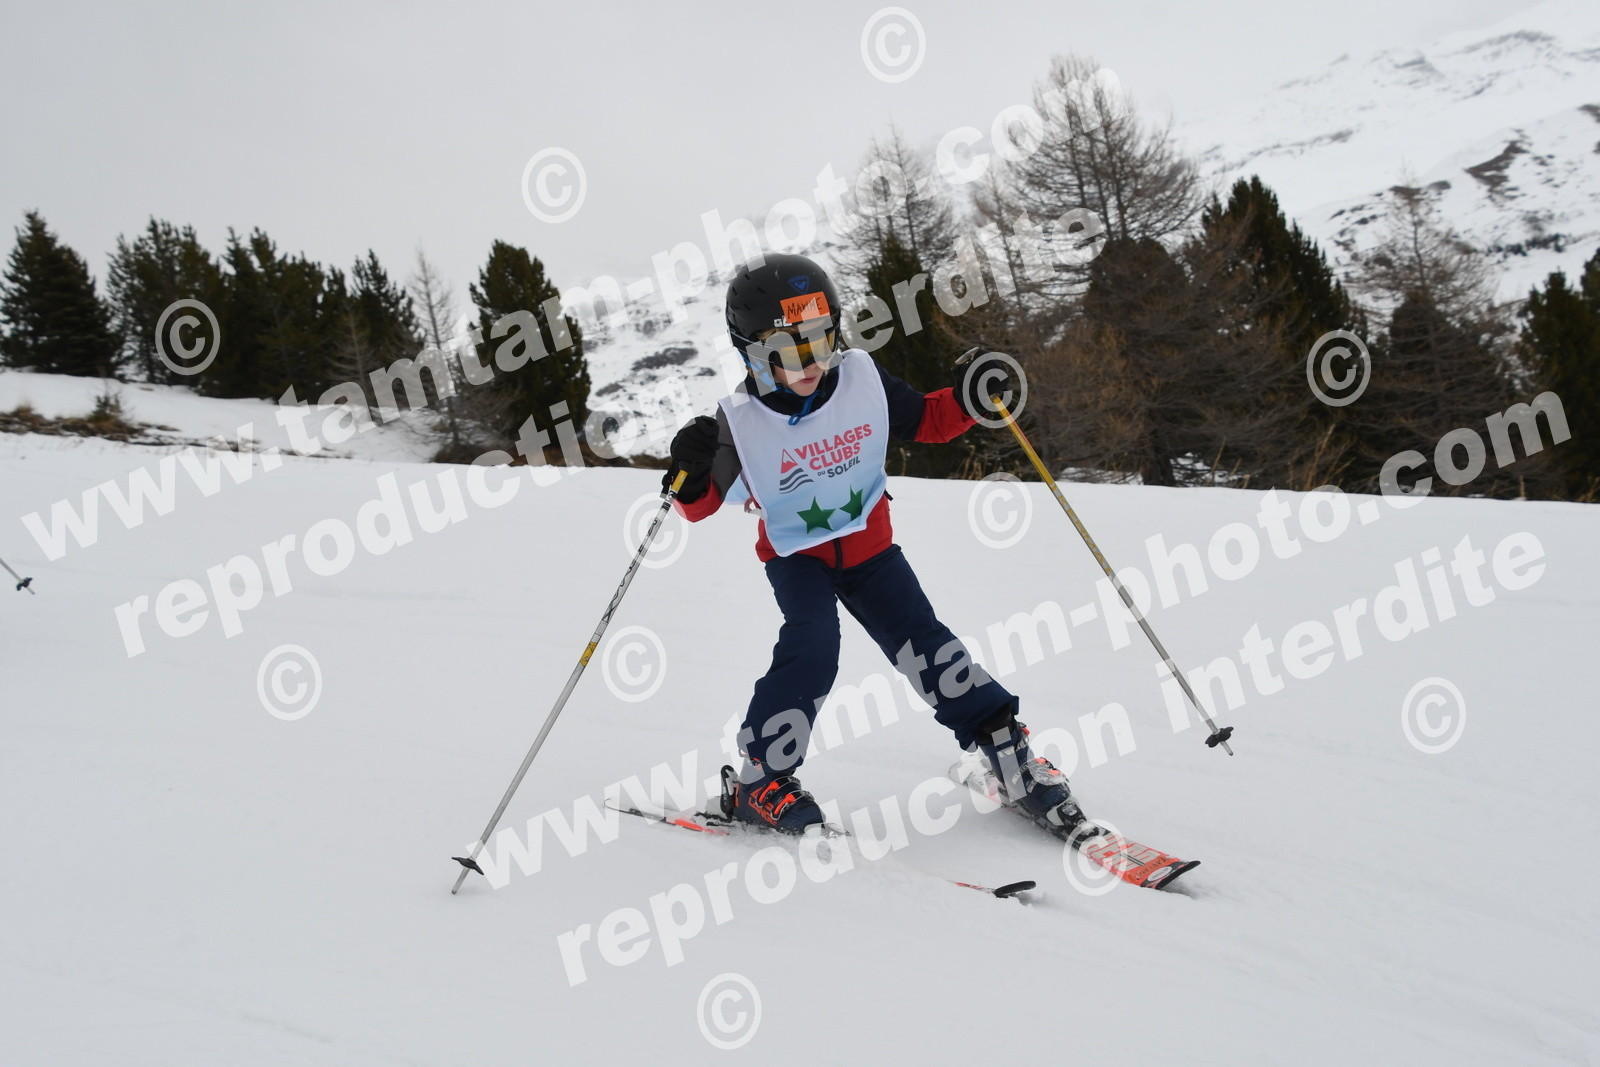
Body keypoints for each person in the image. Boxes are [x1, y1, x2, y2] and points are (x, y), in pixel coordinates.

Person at [665, 252, 1086, 836]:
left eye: (820, 340)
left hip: (872, 549)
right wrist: (688, 471)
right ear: (752, 353)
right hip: (798, 558)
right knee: (813, 647)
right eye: (787, 349)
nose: (810, 362)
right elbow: (699, 504)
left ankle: (1003, 746)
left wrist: (969, 398)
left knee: (929, 647)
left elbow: (927, 421)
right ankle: (760, 781)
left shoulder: (862, 380)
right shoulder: (739, 422)